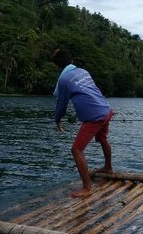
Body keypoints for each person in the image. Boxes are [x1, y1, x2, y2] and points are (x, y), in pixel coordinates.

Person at [52, 49, 113, 197]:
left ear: (58, 67)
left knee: (76, 150)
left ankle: (87, 188)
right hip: (106, 109)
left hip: (95, 116)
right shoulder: (83, 72)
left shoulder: (64, 80)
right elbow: (92, 90)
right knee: (102, 139)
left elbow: (62, 103)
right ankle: (108, 167)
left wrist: (57, 119)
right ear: (71, 60)